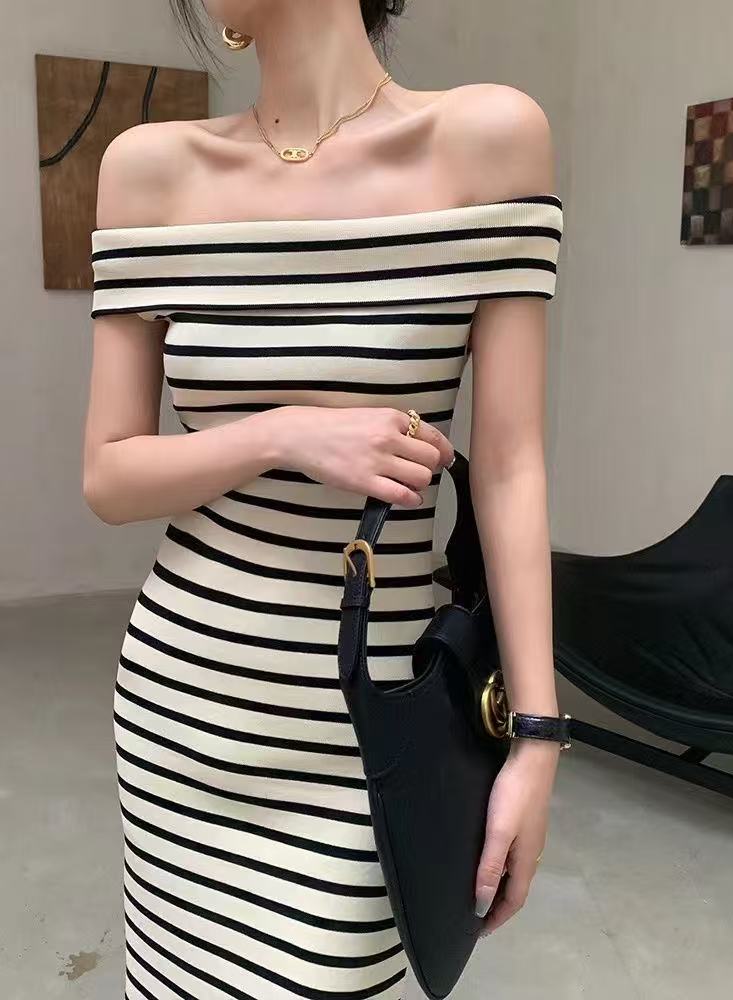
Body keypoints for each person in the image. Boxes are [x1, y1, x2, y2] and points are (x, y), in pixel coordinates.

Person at [83, 1, 565, 996]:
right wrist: (284, 433)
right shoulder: (148, 170)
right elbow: (110, 475)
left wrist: (537, 736)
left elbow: (511, 465)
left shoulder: (488, 141)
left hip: (373, 724)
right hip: (188, 707)